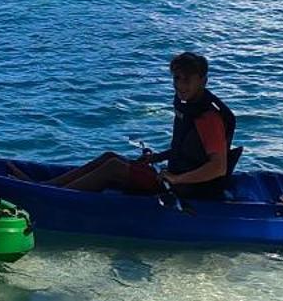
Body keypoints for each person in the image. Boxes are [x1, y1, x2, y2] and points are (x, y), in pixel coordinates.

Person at [35, 51, 238, 201]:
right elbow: (189, 150)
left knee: (113, 167)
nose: (180, 85)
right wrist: (157, 158)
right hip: (177, 179)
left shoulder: (209, 117)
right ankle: (49, 186)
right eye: (177, 78)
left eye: (188, 80)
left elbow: (218, 168)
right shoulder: (191, 105)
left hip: (188, 189)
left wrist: (177, 179)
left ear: (203, 80)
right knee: (110, 156)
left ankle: (55, 198)